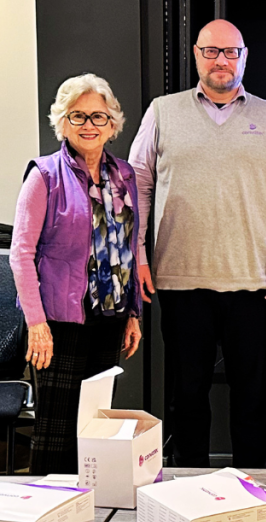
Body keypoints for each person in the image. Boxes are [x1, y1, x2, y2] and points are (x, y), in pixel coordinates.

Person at [128, 19, 266, 468]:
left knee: (251, 399)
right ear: (196, 55)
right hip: (180, 281)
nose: (221, 61)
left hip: (255, 283)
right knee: (186, 398)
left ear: (244, 57)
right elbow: (136, 188)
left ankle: (252, 488)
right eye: (211, 51)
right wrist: (138, 256)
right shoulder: (162, 112)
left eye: (231, 52)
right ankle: (187, 487)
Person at [11, 74, 143, 474]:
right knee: (57, 430)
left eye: (98, 116)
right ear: (63, 122)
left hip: (110, 316)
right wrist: (36, 324)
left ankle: (90, 502)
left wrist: (133, 312)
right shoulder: (45, 175)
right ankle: (50, 504)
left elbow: (130, 246)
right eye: (78, 116)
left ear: (112, 123)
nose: (89, 124)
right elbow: (21, 254)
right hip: (59, 322)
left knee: (94, 427)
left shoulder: (124, 176)